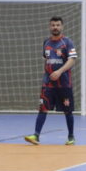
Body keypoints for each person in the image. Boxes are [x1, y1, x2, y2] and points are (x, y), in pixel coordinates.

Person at [25, 16, 78, 146]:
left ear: (62, 26)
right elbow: (47, 59)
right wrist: (49, 73)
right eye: (53, 25)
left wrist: (59, 71)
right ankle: (36, 135)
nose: (55, 27)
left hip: (64, 83)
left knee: (67, 110)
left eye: (58, 25)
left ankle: (71, 137)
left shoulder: (67, 42)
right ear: (50, 27)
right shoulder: (46, 42)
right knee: (42, 108)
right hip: (48, 83)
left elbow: (72, 60)